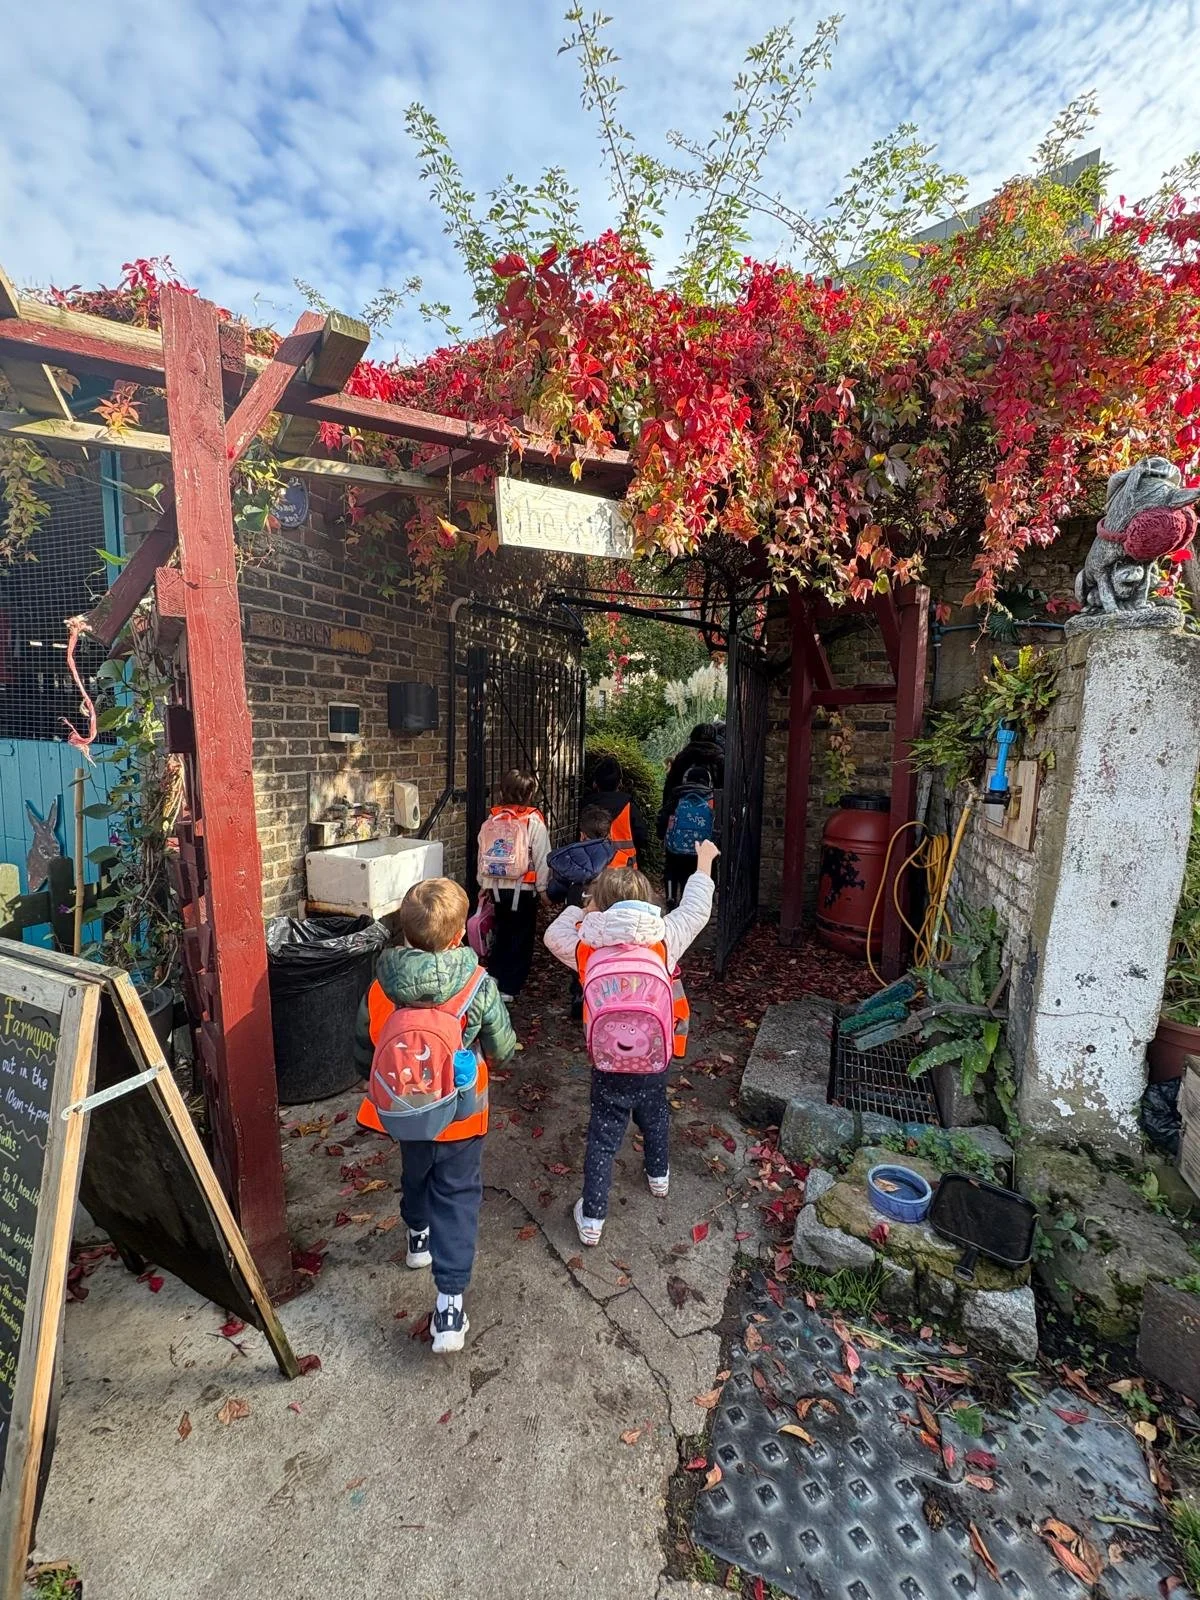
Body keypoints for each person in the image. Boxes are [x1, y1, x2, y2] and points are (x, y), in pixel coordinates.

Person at [354, 878, 516, 1353]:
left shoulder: (382, 985)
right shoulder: (477, 985)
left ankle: (417, 1237)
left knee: (415, 1169)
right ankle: (449, 1304)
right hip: (462, 1115)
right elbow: (502, 1049)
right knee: (459, 1194)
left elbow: (364, 1047)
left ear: (405, 933)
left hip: (406, 1107)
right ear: (458, 936)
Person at [543, 841, 719, 1246]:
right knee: (655, 1115)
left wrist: (580, 911)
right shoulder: (664, 939)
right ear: (648, 900)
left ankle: (592, 1218)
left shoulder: (588, 945)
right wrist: (704, 864)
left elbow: (554, 936)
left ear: (600, 904)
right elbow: (695, 911)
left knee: (604, 1137)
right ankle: (659, 1177)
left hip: (607, 1062)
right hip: (655, 1055)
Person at [477, 769, 551, 1001]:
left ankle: (495, 976)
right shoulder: (533, 821)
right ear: (530, 794)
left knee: (502, 932)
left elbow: (483, 854)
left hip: (497, 889)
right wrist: (543, 888)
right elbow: (542, 857)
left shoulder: (492, 820)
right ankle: (510, 986)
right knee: (521, 937)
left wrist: (483, 883)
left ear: (502, 791)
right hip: (524, 890)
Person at [579, 755, 649, 870]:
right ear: (619, 783)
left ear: (595, 783)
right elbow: (641, 836)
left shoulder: (585, 807)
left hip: (593, 869)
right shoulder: (629, 807)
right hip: (625, 869)